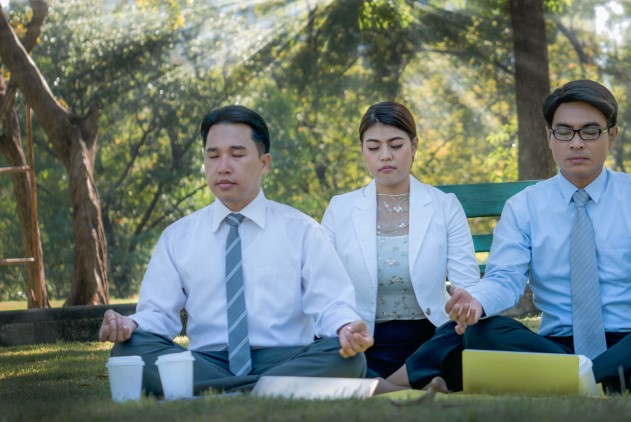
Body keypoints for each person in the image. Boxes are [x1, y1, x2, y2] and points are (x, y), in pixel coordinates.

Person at [447, 79, 631, 393]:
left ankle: (579, 380)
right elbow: (505, 278)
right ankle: (617, 378)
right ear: (549, 137)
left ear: (611, 136)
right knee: (480, 330)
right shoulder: (523, 207)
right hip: (555, 347)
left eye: (590, 131)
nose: (576, 143)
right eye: (564, 131)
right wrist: (477, 300)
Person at [98, 105, 373, 396]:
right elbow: (158, 314)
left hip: (286, 358)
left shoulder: (303, 230)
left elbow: (331, 304)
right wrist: (129, 324)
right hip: (206, 361)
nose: (223, 166)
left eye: (237, 154)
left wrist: (345, 328)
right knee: (131, 348)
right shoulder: (178, 236)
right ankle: (265, 392)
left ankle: (219, 393)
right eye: (213, 155)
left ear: (264, 162)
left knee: (348, 357)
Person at [322, 101, 481, 393]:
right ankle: (416, 385)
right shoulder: (340, 209)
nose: (385, 156)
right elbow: (325, 288)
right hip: (367, 338)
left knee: (472, 336)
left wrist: (464, 303)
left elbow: (468, 283)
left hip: (431, 338)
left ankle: (381, 387)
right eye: (373, 147)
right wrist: (342, 329)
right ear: (362, 151)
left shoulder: (444, 206)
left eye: (396, 145)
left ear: (414, 145)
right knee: (323, 350)